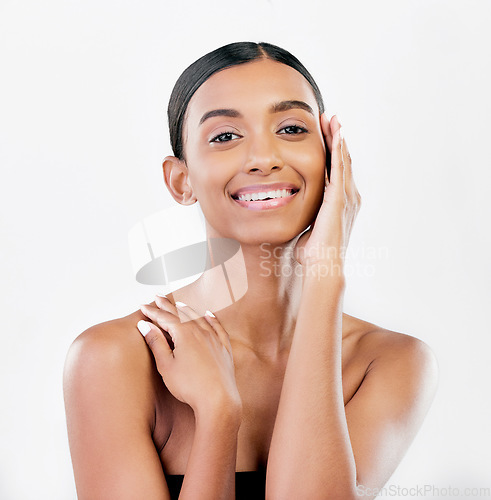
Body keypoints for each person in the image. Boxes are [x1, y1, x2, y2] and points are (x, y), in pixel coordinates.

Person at [63, 41, 438, 500]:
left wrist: (325, 275)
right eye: (225, 136)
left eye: (292, 128)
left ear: (332, 160)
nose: (264, 157)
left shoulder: (389, 363)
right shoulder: (114, 359)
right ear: (181, 181)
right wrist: (218, 417)